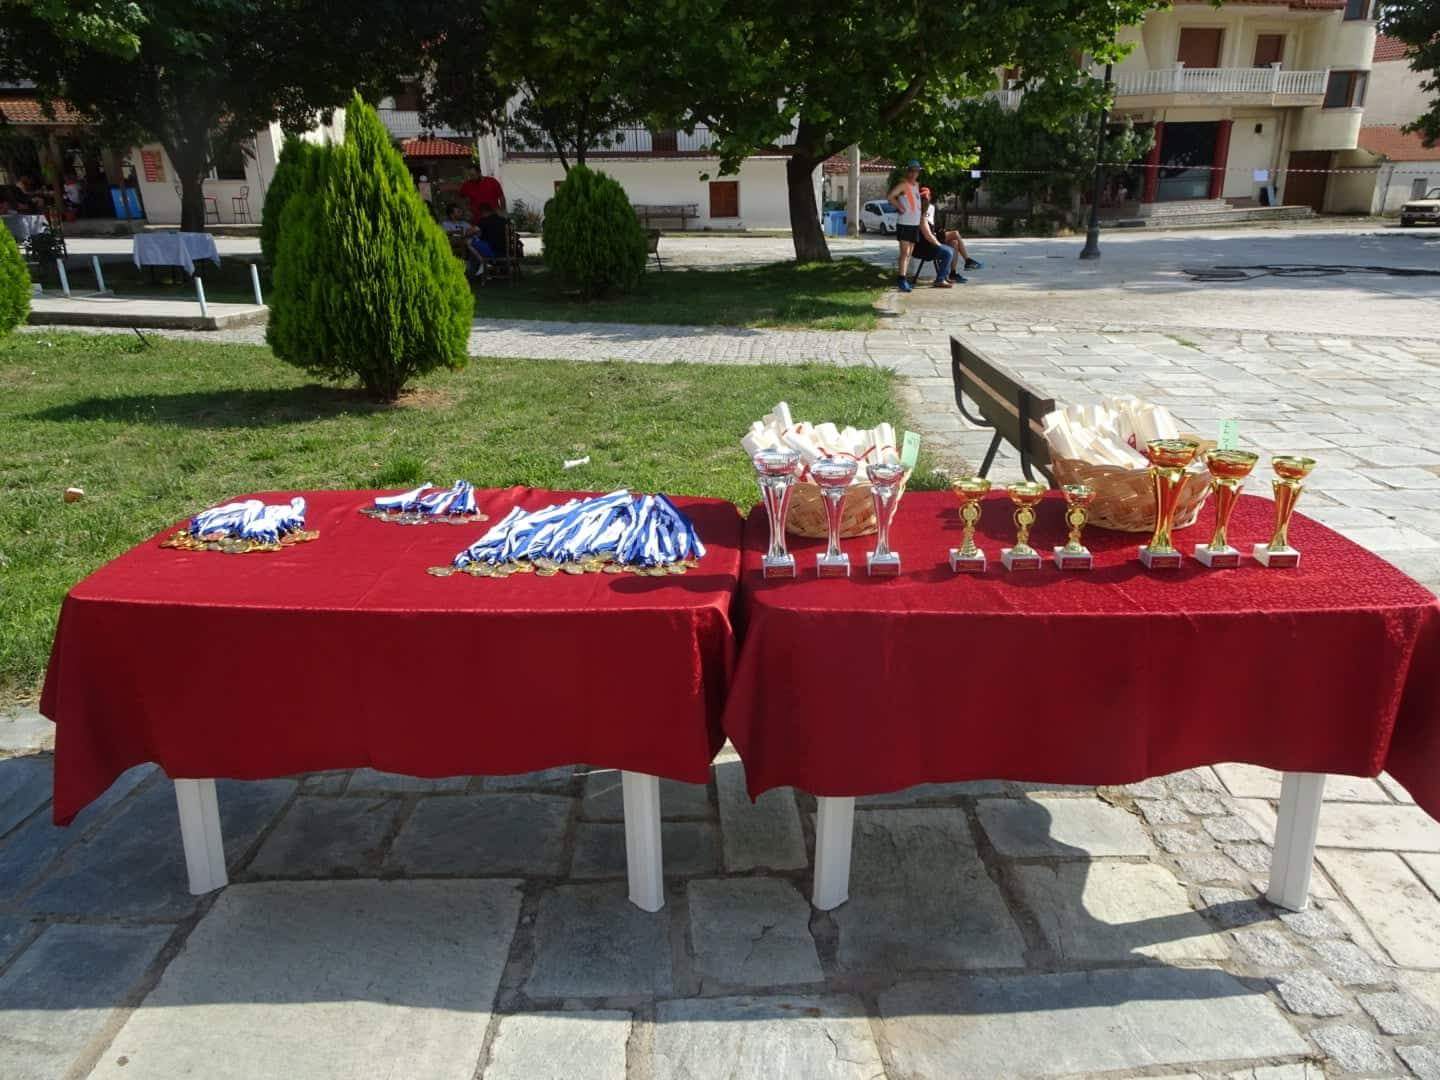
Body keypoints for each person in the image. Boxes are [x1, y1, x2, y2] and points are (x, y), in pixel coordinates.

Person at [920, 186, 982, 282]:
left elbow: (936, 224)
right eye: (923, 198)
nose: (925, 200)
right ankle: (967, 260)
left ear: (930, 197)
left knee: (954, 243)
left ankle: (953, 273)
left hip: (936, 234)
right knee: (955, 233)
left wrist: (941, 230)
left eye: (926, 197)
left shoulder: (932, 207)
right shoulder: (918, 210)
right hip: (929, 239)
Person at [887, 160, 923, 292]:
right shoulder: (903, 185)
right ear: (908, 171)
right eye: (912, 171)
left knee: (909, 253)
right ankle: (901, 279)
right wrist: (900, 207)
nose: (914, 174)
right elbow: (890, 196)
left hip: (914, 224)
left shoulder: (916, 185)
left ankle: (904, 279)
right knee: (904, 253)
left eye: (916, 171)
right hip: (905, 223)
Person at [910, 192, 955, 288]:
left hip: (921, 247)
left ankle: (944, 276)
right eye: (925, 203)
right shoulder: (921, 218)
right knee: (948, 252)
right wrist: (939, 245)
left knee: (949, 249)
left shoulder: (919, 215)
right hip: (923, 249)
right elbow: (928, 236)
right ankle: (940, 280)